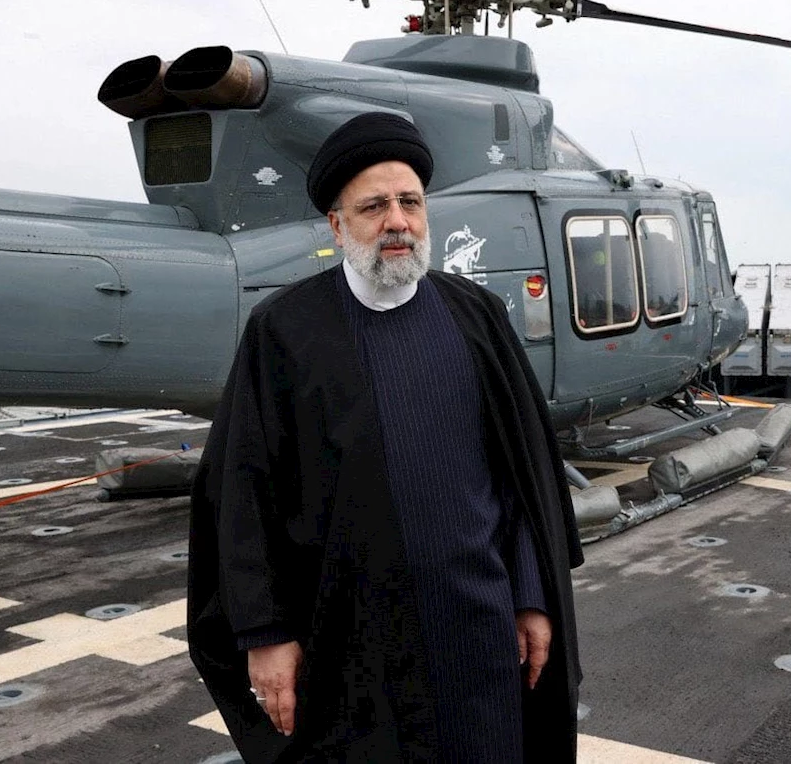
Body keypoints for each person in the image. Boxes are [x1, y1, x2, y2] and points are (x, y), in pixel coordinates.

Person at [188, 111, 583, 763]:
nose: (397, 221)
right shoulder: (284, 331)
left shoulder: (476, 317)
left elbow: (520, 477)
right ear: (337, 225)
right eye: (374, 207)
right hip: (347, 647)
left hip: (478, 635)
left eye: (410, 202)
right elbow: (242, 493)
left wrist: (532, 596)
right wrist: (265, 632)